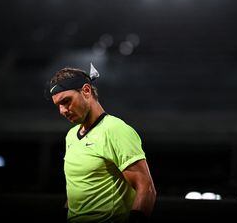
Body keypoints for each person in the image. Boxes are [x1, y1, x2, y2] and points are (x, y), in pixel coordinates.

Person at [48, 64, 156, 222]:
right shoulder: (71, 136)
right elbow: (79, 190)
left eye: (66, 101)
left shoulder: (116, 130)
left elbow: (146, 189)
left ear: (86, 91)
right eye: (58, 105)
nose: (62, 111)